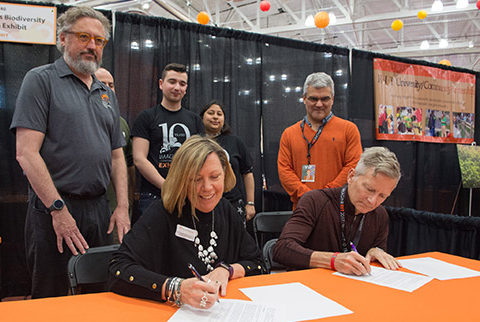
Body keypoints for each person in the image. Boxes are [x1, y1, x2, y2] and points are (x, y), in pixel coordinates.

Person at [10, 7, 130, 298]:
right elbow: (26, 153)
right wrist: (58, 210)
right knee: (50, 295)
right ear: (63, 38)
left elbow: (117, 156)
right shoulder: (41, 80)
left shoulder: (106, 94)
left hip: (99, 210)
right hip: (55, 208)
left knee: (99, 292)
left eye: (99, 41)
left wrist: (123, 206)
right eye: (84, 37)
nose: (92, 46)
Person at [108, 135, 263, 308]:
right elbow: (118, 269)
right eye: (196, 179)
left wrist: (227, 270)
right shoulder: (162, 212)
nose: (207, 187)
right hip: (167, 316)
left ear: (225, 175)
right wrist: (175, 288)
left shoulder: (226, 209)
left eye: (215, 177)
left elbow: (257, 262)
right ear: (181, 179)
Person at [273, 147, 402, 276]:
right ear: (351, 176)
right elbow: (282, 249)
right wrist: (333, 260)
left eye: (382, 196)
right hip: (308, 284)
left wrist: (376, 251)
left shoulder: (380, 214)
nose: (372, 201)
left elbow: (378, 254)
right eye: (369, 189)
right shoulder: (315, 201)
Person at [278, 72, 362, 210]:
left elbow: (353, 166)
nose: (319, 104)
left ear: (333, 99)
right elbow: (284, 171)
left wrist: (326, 195)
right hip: (302, 208)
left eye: (325, 99)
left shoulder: (349, 130)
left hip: (338, 208)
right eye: (313, 99)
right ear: (304, 98)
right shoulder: (289, 134)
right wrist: (308, 196)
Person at [132, 63, 204, 217]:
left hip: (188, 196)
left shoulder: (195, 120)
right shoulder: (146, 117)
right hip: (153, 196)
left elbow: (201, 159)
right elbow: (139, 159)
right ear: (161, 84)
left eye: (182, 83)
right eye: (172, 81)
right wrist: (167, 186)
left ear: (186, 88)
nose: (177, 87)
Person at [95, 67, 136, 242]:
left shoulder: (121, 123)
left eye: (111, 85)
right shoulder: (76, 118)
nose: (107, 88)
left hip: (116, 207)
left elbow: (129, 164)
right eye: (102, 84)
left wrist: (127, 202)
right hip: (86, 207)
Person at [199, 101, 256, 224]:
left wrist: (250, 203)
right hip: (203, 200)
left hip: (233, 203)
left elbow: (247, 173)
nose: (215, 117)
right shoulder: (195, 142)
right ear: (202, 117)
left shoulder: (235, 141)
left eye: (219, 114)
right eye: (211, 113)